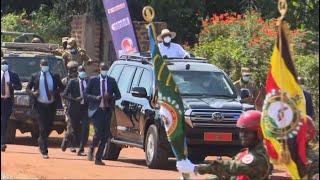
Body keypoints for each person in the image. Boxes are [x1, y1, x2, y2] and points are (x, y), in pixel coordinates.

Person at [192, 110, 271, 179]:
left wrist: (206, 168)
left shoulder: (259, 158)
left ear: (259, 133)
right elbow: (229, 176)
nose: (242, 135)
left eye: (247, 132)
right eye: (241, 131)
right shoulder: (244, 153)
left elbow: (233, 168)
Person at [26, 59, 64, 159]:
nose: (44, 66)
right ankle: (44, 150)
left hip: (51, 105)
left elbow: (62, 88)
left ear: (48, 66)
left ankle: (41, 140)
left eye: (46, 64)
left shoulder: (54, 76)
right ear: (40, 65)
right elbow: (28, 89)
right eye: (43, 64)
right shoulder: (35, 76)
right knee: (42, 127)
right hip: (40, 105)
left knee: (49, 126)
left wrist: (55, 92)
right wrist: (33, 94)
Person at [84, 62, 121, 165]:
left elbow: (118, 95)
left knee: (105, 136)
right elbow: (85, 94)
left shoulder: (111, 81)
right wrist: (96, 98)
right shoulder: (93, 80)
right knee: (98, 133)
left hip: (107, 110)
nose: (105, 71)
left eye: (106, 69)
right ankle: (92, 148)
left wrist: (110, 97)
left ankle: (98, 158)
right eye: (103, 69)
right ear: (100, 69)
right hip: (96, 111)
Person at [61, 65, 89, 156]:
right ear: (78, 72)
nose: (83, 73)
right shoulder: (73, 82)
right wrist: (74, 99)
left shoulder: (89, 82)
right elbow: (64, 95)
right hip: (73, 109)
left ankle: (81, 149)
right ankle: (66, 139)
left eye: (84, 71)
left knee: (85, 129)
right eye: (81, 71)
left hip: (85, 109)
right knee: (73, 130)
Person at [1, 59, 22, 152]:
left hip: (7, 101)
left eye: (5, 64)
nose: (4, 65)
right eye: (2, 64)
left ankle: (2, 143)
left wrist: (12, 85)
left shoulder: (13, 75)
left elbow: (19, 87)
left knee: (4, 122)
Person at [60, 61, 79, 153]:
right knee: (70, 125)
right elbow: (62, 94)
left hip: (78, 107)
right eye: (72, 69)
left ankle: (66, 139)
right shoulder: (64, 81)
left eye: (75, 69)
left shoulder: (80, 80)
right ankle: (70, 144)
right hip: (68, 106)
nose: (74, 71)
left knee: (75, 126)